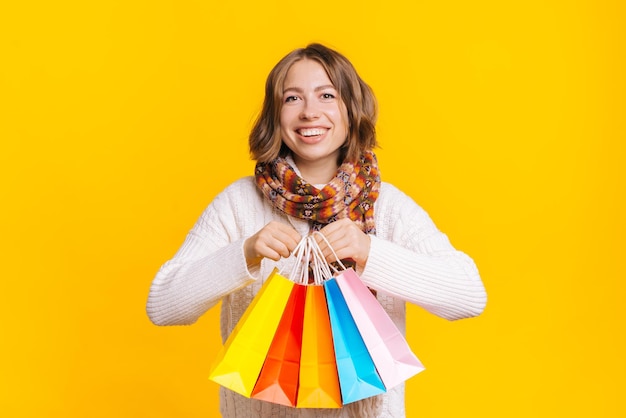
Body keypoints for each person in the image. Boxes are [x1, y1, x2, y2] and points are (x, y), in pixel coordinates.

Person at [147, 43, 487, 417]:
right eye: (292, 98)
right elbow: (163, 306)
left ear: (350, 110)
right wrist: (245, 253)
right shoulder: (238, 203)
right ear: (275, 116)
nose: (310, 112)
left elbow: (469, 296)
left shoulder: (387, 207)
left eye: (327, 95)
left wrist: (369, 252)